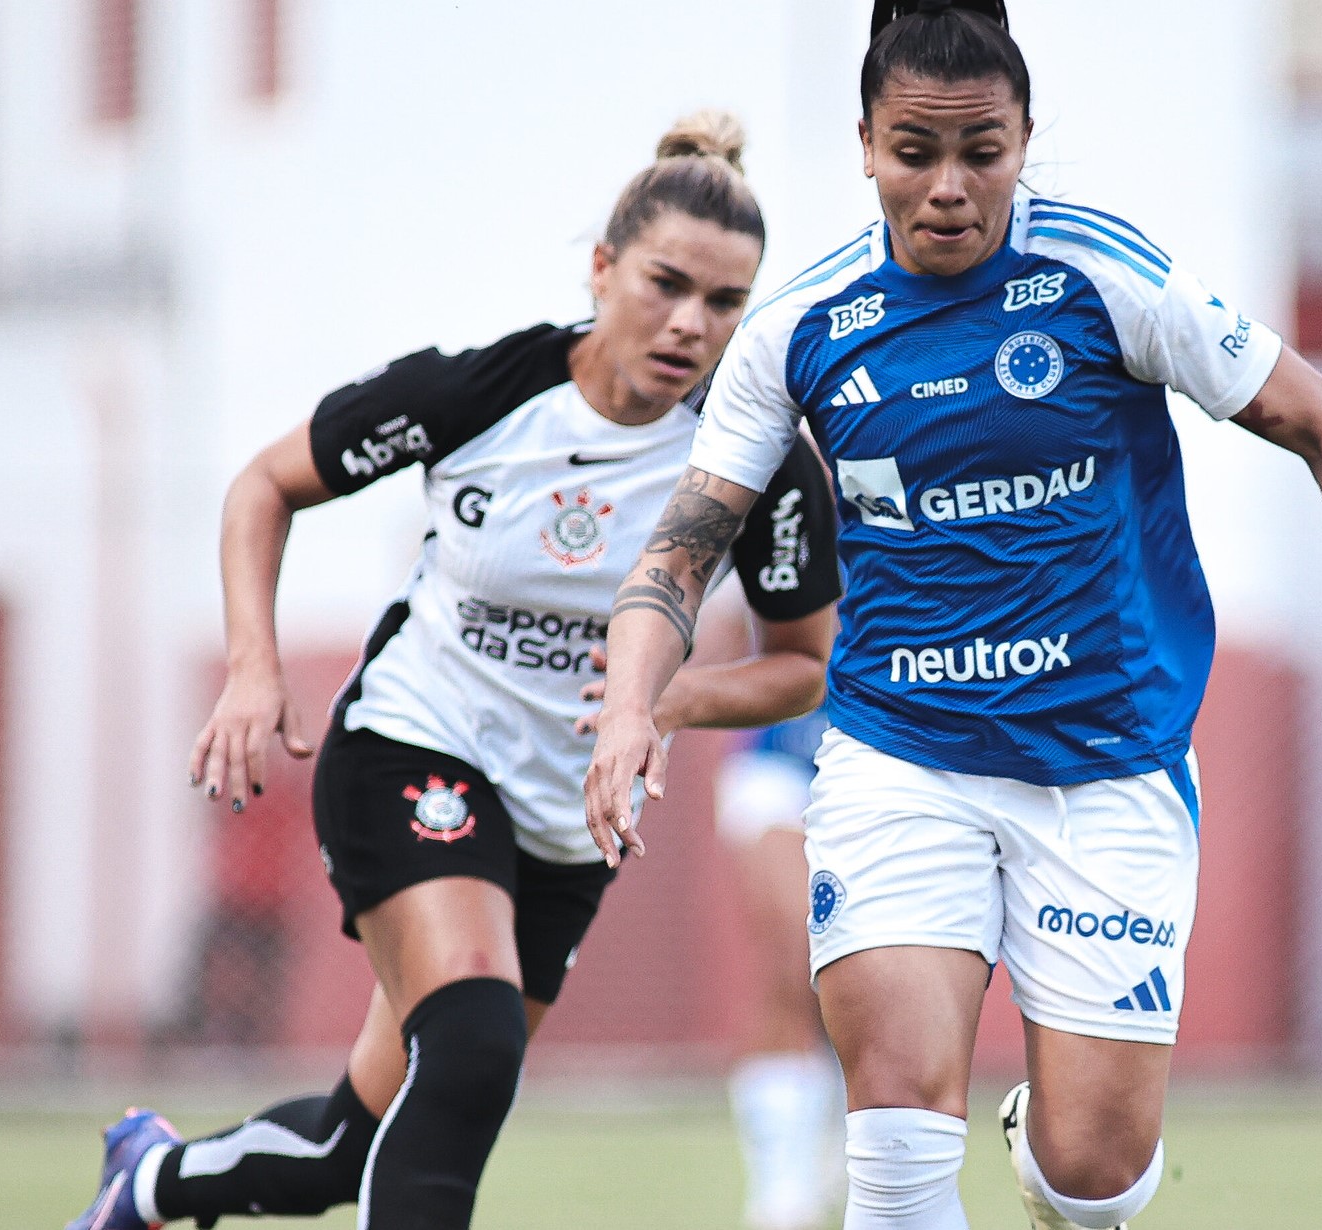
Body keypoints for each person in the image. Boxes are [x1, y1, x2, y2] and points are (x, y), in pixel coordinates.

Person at [584, 0, 1322, 1230]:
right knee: (896, 1140)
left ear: (1021, 140)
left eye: (982, 150)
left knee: (1092, 1173)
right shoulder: (801, 328)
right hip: (901, 754)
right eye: (914, 150)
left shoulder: (1105, 277)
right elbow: (682, 544)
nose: (948, 187)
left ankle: (1062, 1163)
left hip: (1106, 761)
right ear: (864, 147)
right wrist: (633, 704)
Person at [67, 111, 841, 1230]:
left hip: (571, 822)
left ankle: (145, 1180)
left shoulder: (754, 460)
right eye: (665, 282)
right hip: (413, 746)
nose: (689, 322)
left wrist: (667, 698)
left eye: (724, 303)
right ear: (602, 266)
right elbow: (263, 486)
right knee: (473, 1040)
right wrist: (251, 665)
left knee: (355, 1140)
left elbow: (802, 665)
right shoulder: (482, 391)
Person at [716, 703, 845, 1230]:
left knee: (864, 981)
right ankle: (782, 1195)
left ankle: (841, 1097)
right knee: (795, 952)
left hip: (902, 755)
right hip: (785, 757)